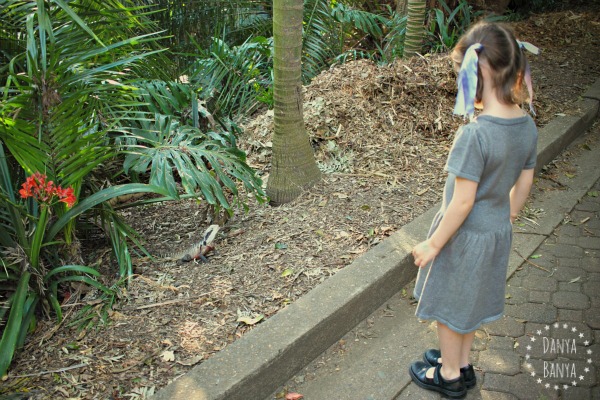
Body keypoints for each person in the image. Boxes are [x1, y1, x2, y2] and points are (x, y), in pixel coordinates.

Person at [408, 21, 538, 399]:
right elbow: (525, 181)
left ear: (474, 78)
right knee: (469, 303)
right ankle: (462, 363)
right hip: (496, 231)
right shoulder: (527, 125)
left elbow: (462, 202)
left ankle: (448, 374)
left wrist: (433, 244)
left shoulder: (475, 134)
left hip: (463, 237)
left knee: (450, 308)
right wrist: (507, 216)